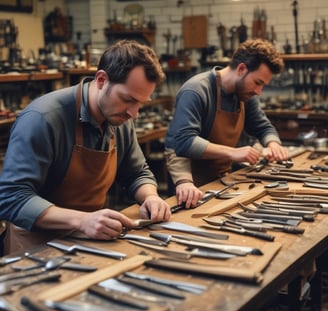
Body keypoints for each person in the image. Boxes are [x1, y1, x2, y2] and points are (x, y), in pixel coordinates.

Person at [0, 40, 171, 254]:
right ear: (101, 80)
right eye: (128, 100)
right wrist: (82, 221)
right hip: (35, 248)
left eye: (140, 104)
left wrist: (151, 197)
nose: (133, 114)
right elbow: (11, 197)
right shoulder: (42, 119)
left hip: (89, 240)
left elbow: (136, 173)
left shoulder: (120, 119)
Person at [165, 38, 289, 209]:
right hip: (190, 187)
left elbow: (262, 127)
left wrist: (273, 144)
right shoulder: (196, 91)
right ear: (241, 69)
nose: (258, 92)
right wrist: (233, 152)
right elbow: (184, 141)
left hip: (222, 182)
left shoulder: (244, 94)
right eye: (258, 83)